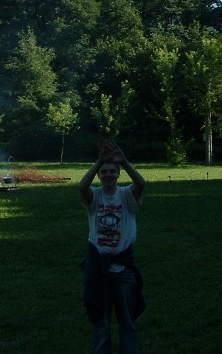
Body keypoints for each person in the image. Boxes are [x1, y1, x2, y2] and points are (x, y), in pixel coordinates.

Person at [79, 140, 146, 354]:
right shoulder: (95, 196)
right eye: (104, 172)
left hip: (124, 268)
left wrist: (124, 161)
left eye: (112, 171)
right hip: (99, 267)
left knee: (127, 321)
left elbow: (141, 183)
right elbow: (82, 186)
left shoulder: (126, 195)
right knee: (102, 322)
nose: (108, 175)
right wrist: (99, 161)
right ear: (99, 175)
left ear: (118, 174)